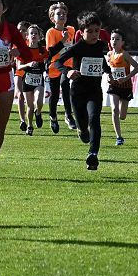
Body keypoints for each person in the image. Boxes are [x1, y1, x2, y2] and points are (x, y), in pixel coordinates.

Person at [54, 12, 112, 170]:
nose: (94, 34)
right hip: (78, 92)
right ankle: (81, 130)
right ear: (82, 32)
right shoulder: (77, 47)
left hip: (94, 91)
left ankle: (93, 154)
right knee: (83, 126)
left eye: (97, 31)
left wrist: (109, 73)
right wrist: (68, 71)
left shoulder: (101, 46)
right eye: (90, 31)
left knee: (94, 119)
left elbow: (101, 63)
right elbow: (57, 62)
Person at [0, 0, 29, 157]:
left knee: (1, 126)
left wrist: (18, 51)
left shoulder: (10, 29)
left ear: (4, 9)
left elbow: (27, 53)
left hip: (5, 78)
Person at [106, 29, 138, 146]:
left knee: (122, 116)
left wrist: (126, 78)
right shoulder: (109, 55)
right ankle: (119, 137)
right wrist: (108, 77)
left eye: (117, 39)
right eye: (112, 39)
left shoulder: (124, 54)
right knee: (114, 109)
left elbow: (137, 68)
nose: (114, 41)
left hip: (125, 86)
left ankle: (120, 133)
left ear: (122, 42)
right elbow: (108, 70)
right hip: (114, 85)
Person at [46, 2, 77, 133]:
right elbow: (51, 52)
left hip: (67, 66)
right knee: (53, 96)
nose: (62, 16)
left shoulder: (71, 30)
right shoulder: (51, 32)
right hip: (54, 67)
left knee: (65, 85)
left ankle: (68, 115)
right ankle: (53, 117)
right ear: (53, 18)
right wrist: (63, 40)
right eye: (59, 14)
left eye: (64, 14)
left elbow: (73, 47)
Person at [14, 24, 48, 136]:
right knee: (30, 106)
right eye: (31, 33)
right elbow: (18, 67)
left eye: (36, 33)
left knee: (38, 101)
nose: (33, 35)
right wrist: (28, 64)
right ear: (27, 36)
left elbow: (49, 60)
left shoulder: (43, 50)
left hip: (39, 80)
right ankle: (29, 125)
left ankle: (38, 113)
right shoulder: (23, 50)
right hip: (27, 81)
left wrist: (46, 66)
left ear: (39, 36)